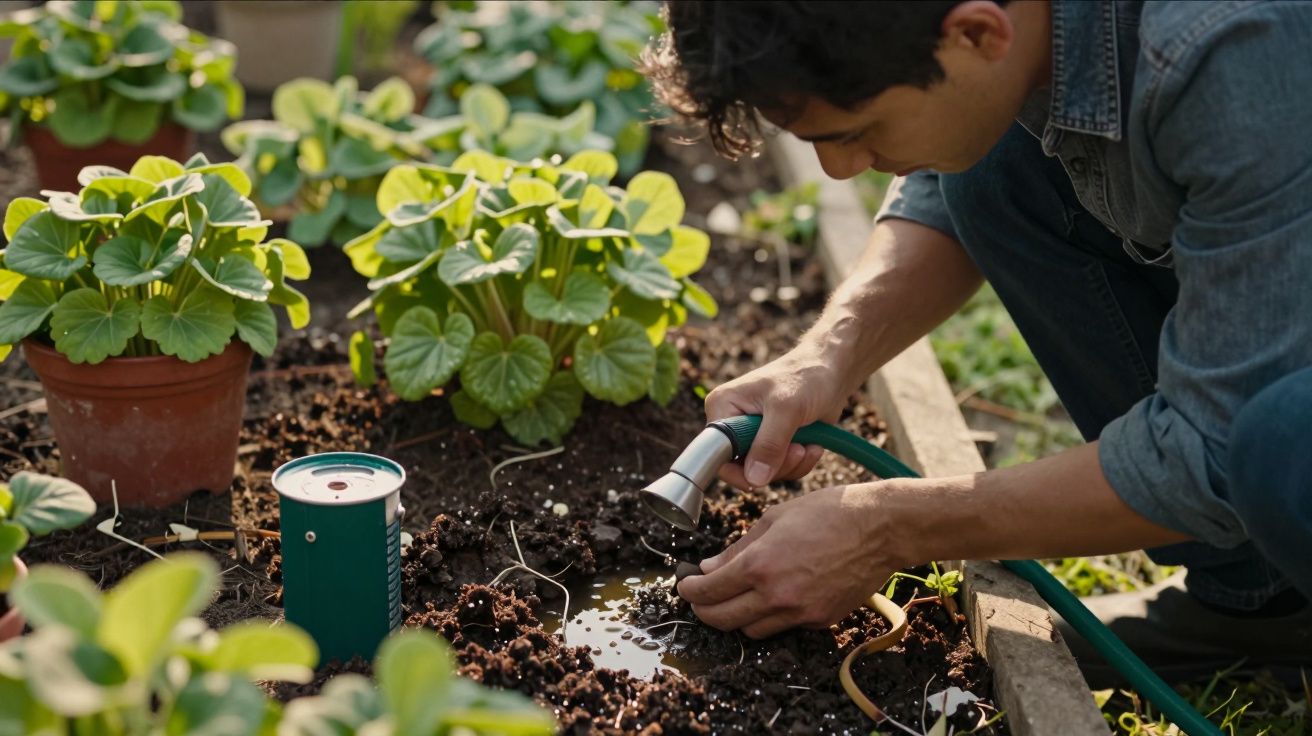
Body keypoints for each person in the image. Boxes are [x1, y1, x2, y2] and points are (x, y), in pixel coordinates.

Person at [640, 0, 1312, 685]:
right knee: (988, 165)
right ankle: (1262, 603)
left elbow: (1215, 445)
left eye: (858, 130)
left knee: (1281, 436)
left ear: (977, 31)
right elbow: (944, 168)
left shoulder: (1229, 47)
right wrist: (829, 354)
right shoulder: (1023, 33)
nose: (839, 170)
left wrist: (891, 526)